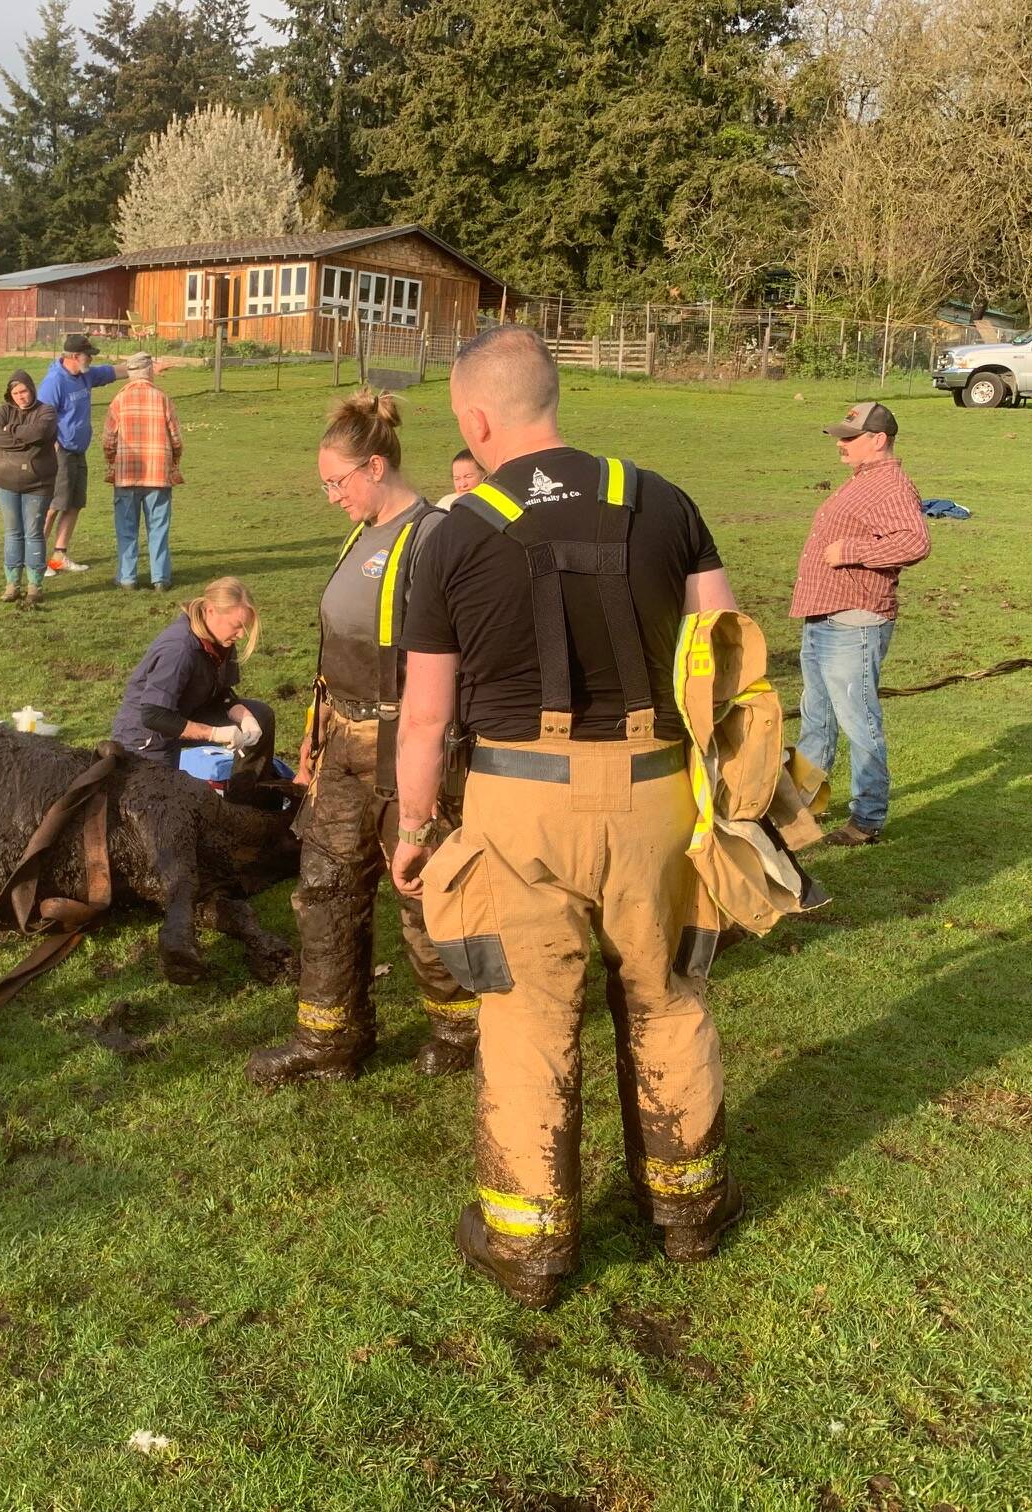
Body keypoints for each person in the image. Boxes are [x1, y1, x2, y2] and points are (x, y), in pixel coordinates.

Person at [388, 327, 741, 1308]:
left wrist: (413, 832)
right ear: (555, 397)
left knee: (527, 1019)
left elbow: (423, 716)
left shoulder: (452, 533)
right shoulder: (664, 501)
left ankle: (531, 1248)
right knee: (667, 997)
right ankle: (688, 1213)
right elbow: (729, 658)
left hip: (516, 803)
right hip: (654, 793)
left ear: (476, 417)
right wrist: (742, 807)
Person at [245, 393, 479, 1087]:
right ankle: (330, 1040)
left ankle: (460, 1027)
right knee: (324, 890)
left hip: (403, 747)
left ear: (375, 467)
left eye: (336, 482)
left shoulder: (433, 535)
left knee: (423, 895)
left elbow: (459, 657)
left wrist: (433, 767)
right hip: (341, 744)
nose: (330, 497)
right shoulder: (364, 531)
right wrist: (317, 733)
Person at [789, 401, 931, 846]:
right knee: (817, 718)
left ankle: (866, 820)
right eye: (840, 436)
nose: (841, 445)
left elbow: (915, 541)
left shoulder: (889, 485)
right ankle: (801, 810)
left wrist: (852, 551)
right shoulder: (865, 481)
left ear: (879, 439)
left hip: (854, 621)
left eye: (850, 437)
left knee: (858, 721)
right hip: (826, 617)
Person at [110, 577, 275, 777]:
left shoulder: (222, 640)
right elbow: (154, 715)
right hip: (149, 736)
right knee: (160, 799)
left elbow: (222, 693)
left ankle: (243, 798)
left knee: (260, 715)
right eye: (236, 625)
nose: (241, 635)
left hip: (188, 711)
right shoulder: (179, 649)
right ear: (211, 611)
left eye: (244, 627)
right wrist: (214, 734)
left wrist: (245, 717)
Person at [38, 334, 128, 574]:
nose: (91, 358)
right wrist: (52, 446)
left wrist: (140, 368)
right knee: (54, 506)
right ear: (75, 357)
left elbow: (111, 372)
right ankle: (36, 559)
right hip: (60, 453)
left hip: (79, 451)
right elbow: (41, 418)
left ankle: (59, 557)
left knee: (74, 504)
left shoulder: (84, 375)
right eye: (88, 355)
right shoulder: (54, 382)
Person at [103, 350, 183, 592]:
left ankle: (127, 577)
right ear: (149, 372)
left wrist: (112, 461)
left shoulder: (119, 400)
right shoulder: (162, 398)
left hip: (126, 475)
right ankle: (160, 578)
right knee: (158, 528)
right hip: (158, 474)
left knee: (126, 529)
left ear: (130, 373)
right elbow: (176, 438)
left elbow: (108, 439)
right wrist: (174, 461)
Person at [0, 368, 58, 607]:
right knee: (12, 533)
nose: (21, 396)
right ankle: (12, 585)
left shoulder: (46, 412)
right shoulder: (2, 411)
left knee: (33, 533)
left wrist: (12, 432)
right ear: (10, 394)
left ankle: (34, 586)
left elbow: (39, 432)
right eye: (16, 392)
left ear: (32, 389)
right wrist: (25, 439)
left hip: (38, 483)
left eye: (24, 390)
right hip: (6, 482)